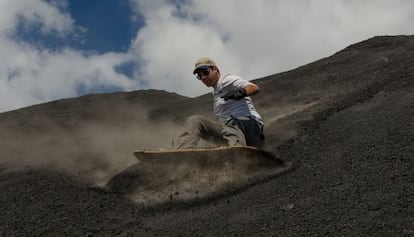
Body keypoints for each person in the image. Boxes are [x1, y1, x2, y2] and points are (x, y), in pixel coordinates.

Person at [175, 57, 265, 149]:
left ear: (215, 69)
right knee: (195, 121)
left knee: (230, 122)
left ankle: (236, 150)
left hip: (249, 127)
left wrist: (242, 92)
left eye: (205, 72)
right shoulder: (216, 92)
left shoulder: (227, 80)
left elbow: (254, 88)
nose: (203, 77)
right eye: (199, 76)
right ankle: (182, 153)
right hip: (229, 130)